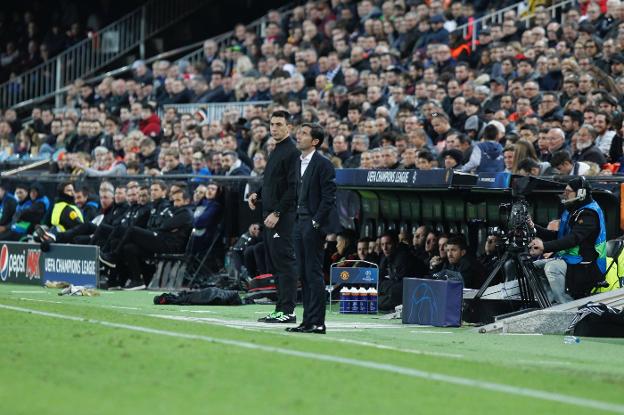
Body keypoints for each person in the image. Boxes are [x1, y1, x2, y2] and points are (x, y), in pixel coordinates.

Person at [249, 110, 300, 324]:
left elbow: (293, 188)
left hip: (282, 218)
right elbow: (271, 181)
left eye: (279, 124)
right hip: (270, 215)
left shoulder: (292, 152)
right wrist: (257, 194)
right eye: (272, 124)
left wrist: (277, 212)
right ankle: (280, 309)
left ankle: (288, 311)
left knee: (285, 263)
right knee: (277, 265)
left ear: (289, 127)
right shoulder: (276, 150)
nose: (275, 128)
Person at [287, 123, 338, 334]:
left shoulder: (323, 164)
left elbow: (329, 197)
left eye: (304, 134)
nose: (299, 136)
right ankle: (308, 320)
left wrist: (316, 222)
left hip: (312, 224)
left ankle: (318, 322)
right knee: (304, 273)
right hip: (300, 222)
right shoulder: (298, 162)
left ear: (315, 141)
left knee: (313, 272)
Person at [529, 178, 607, 303]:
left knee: (552, 268)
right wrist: (533, 227)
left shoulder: (589, 214)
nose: (564, 194)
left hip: (588, 264)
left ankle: (565, 305)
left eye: (568, 191)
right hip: (572, 261)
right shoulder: (573, 210)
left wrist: (544, 246)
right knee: (534, 267)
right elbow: (560, 236)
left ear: (581, 193)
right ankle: (548, 303)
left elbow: (572, 240)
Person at [378, 231, 427, 311]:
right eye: (382, 244)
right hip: (395, 291)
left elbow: (398, 285)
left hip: (414, 292)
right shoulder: (385, 257)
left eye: (388, 244)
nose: (385, 248)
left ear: (396, 243)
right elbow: (378, 279)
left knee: (379, 299)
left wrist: (383, 285)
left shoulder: (403, 256)